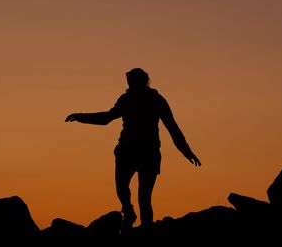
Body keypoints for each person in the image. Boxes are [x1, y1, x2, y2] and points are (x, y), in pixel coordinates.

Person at [65, 68, 201, 231]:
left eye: (132, 81)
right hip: (127, 150)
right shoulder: (126, 99)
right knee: (122, 188)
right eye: (129, 82)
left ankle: (146, 229)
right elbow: (106, 118)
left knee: (144, 197)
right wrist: (81, 116)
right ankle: (129, 212)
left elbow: (173, 128)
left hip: (148, 152)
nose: (130, 85)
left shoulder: (157, 101)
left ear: (143, 81)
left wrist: (186, 151)